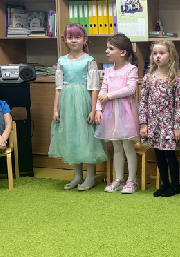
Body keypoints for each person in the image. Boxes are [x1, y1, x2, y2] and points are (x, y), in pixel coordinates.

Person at [49, 23, 107, 191]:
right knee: (72, 136)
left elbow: (94, 87)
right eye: (70, 37)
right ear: (65, 40)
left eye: (77, 37)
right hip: (66, 103)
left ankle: (90, 177)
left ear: (84, 39)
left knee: (86, 137)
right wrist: (55, 109)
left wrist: (93, 109)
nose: (73, 40)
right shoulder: (62, 61)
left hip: (84, 101)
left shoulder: (89, 61)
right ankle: (77, 176)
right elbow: (58, 87)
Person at [95, 34, 140, 194]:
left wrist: (109, 96)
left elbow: (130, 89)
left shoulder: (131, 69)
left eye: (110, 48)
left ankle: (132, 180)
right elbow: (102, 91)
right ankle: (119, 179)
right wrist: (98, 108)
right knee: (116, 147)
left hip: (126, 112)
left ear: (122, 52)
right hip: (111, 113)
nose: (106, 51)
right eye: (107, 48)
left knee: (128, 146)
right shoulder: (108, 71)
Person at [139, 39, 180, 197]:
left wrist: (176, 127)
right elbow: (143, 102)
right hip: (154, 124)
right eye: (155, 53)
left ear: (170, 56)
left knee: (169, 155)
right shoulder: (148, 78)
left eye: (162, 53)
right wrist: (143, 124)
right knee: (158, 154)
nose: (157, 56)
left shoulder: (175, 80)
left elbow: (179, 105)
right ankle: (165, 184)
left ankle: (175, 185)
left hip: (169, 125)